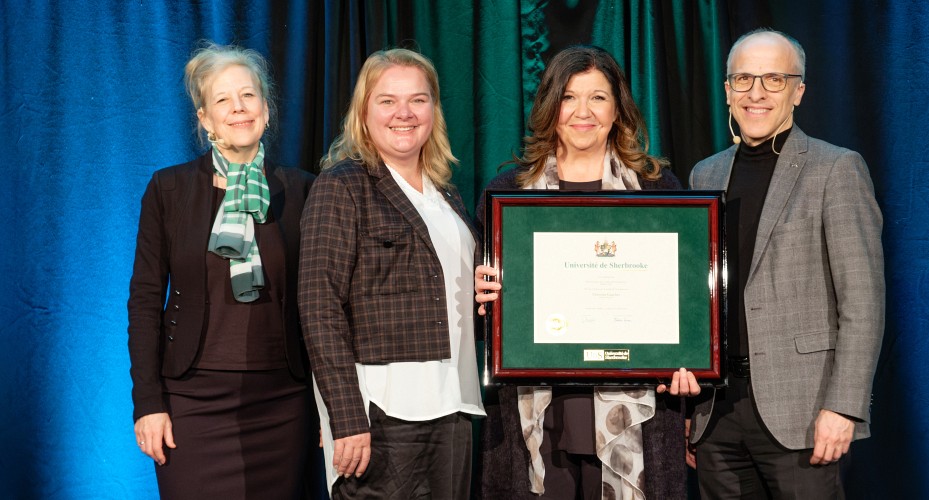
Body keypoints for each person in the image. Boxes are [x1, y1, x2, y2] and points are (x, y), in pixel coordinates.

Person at [473, 45, 699, 500]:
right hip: (538, 410)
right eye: (569, 97)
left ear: (618, 110)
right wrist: (481, 296)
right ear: (550, 106)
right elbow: (489, 314)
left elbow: (685, 302)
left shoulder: (658, 190)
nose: (583, 112)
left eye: (597, 97)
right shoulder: (508, 194)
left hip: (636, 414)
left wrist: (690, 354)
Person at [687, 28, 885, 498]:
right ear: (727, 91)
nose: (756, 93)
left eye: (773, 79)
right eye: (744, 80)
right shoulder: (704, 174)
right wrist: (689, 415)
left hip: (804, 413)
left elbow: (863, 300)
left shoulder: (835, 168)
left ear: (798, 91)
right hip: (716, 414)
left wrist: (845, 408)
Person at [127, 43, 317, 499]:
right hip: (191, 400)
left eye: (248, 96)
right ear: (205, 119)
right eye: (222, 100)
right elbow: (145, 300)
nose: (238, 108)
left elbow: (325, 301)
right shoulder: (168, 189)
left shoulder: (304, 190)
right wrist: (148, 404)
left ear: (266, 110)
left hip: (283, 401)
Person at [298, 48, 485, 499]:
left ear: (434, 110)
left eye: (418, 100)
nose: (404, 113)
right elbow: (318, 307)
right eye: (387, 100)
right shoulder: (342, 186)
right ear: (364, 112)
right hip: (382, 412)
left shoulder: (448, 196)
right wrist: (345, 417)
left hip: (455, 404)